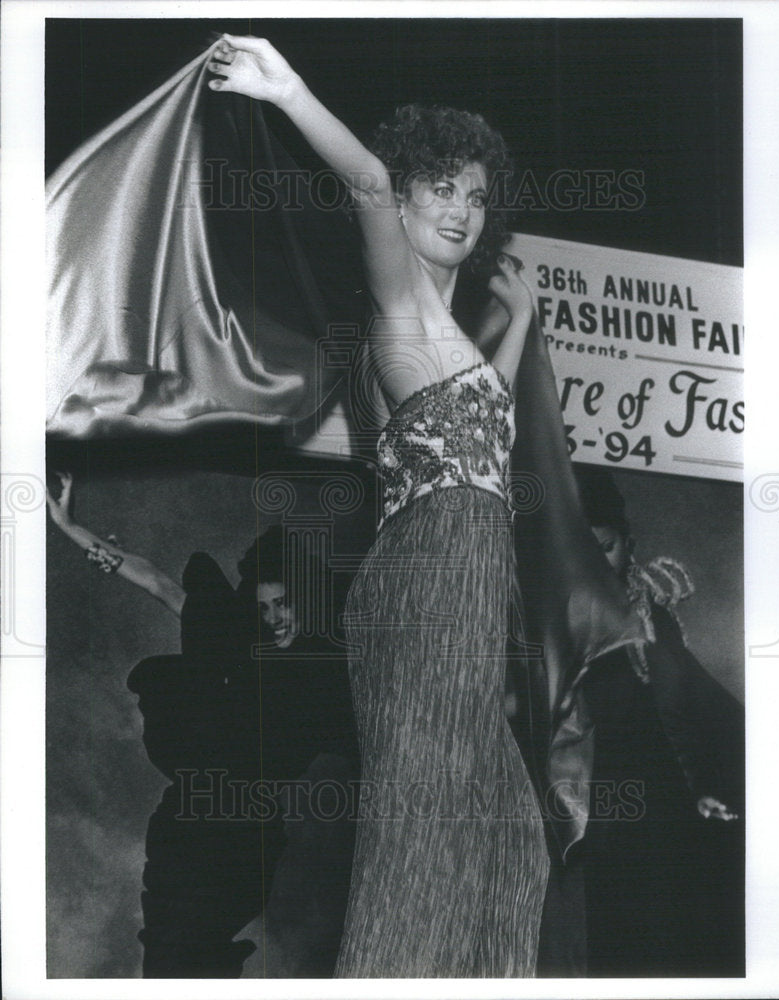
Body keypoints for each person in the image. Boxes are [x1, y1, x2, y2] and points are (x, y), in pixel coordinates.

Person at [206, 34, 550, 977]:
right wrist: (287, 89)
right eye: (440, 186)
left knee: (513, 842)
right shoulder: (399, 306)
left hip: (461, 569)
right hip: (437, 567)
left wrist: (517, 325)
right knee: (428, 838)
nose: (463, 210)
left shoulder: (446, 337)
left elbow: (485, 421)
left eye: (477, 197)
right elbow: (361, 185)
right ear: (401, 198)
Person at [46, 471, 358, 977]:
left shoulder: (325, 677)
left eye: (283, 603)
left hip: (246, 835)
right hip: (188, 820)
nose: (275, 618)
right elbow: (158, 582)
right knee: (167, 951)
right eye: (263, 608)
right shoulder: (237, 642)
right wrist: (71, 526)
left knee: (202, 954)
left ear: (304, 600)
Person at [574, 467, 744, 976]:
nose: (594, 560)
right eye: (581, 548)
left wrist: (704, 782)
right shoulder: (561, 616)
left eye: (605, 547)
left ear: (629, 544)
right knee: (613, 930)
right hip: (595, 794)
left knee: (676, 924)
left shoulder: (649, 608)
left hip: (660, 793)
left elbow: (684, 699)